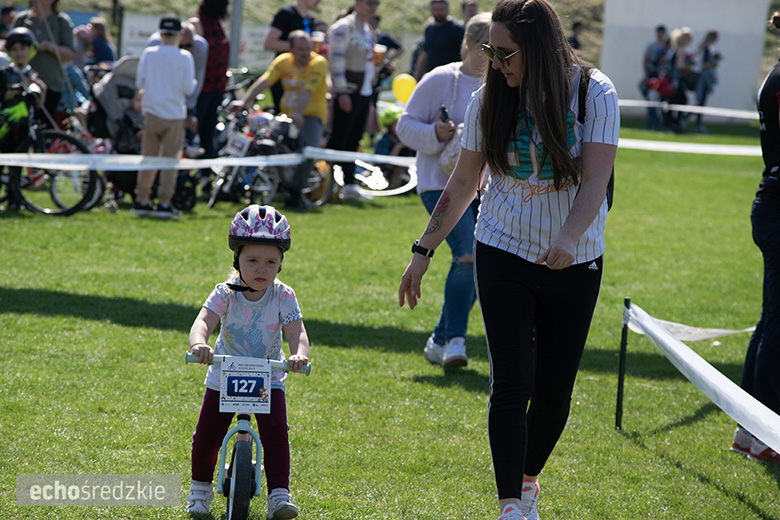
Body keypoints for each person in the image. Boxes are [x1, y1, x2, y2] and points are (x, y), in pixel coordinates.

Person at [398, 0, 618, 518]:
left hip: (576, 257)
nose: (496, 63)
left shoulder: (593, 92)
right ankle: (510, 506)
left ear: (539, 48)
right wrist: (423, 250)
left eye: (505, 52)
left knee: (554, 393)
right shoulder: (488, 98)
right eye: (490, 50)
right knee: (512, 380)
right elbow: (464, 180)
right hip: (502, 248)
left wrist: (567, 238)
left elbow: (596, 180)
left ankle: (528, 478)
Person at [185, 204, 310, 518]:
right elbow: (203, 321)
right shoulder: (225, 293)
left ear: (281, 264)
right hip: (225, 373)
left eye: (271, 261)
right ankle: (199, 491)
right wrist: (199, 344)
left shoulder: (283, 295)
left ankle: (279, 495)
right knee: (207, 436)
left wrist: (299, 353)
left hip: (269, 377)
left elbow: (297, 332)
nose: (261, 269)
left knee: (276, 434)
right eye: (252, 260)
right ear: (237, 259)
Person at [396, 12, 490, 368]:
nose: (492, 59)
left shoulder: (503, 84)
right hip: (439, 184)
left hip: (485, 189)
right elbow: (404, 126)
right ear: (469, 45)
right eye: (487, 49)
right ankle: (455, 342)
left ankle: (438, 339)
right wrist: (437, 133)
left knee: (480, 264)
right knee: (467, 254)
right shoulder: (439, 78)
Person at [730, 12, 780, 467]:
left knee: (772, 318)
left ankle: (750, 426)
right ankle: (765, 432)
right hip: (779, 205)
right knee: (779, 322)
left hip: (772, 200)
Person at [230, 30, 328, 209]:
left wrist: (299, 113)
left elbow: (308, 91)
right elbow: (266, 80)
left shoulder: (319, 63)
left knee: (308, 149)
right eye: (300, 49)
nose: (305, 53)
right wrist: (245, 101)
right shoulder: (283, 61)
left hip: (311, 115)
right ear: (290, 49)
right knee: (266, 140)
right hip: (287, 115)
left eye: (308, 49)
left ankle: (296, 192)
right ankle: (273, 181)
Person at [132, 15, 196, 219]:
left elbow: (140, 82)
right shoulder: (185, 57)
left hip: (152, 112)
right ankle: (164, 202)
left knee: (149, 159)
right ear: (179, 35)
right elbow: (189, 88)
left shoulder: (149, 54)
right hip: (174, 115)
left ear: (160, 33)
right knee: (170, 162)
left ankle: (142, 199)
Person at [326, 0, 379, 201]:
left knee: (354, 139)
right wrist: (341, 91)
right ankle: (326, 183)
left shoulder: (368, 30)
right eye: (369, 3)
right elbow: (336, 59)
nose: (373, 7)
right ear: (357, 3)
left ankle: (348, 184)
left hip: (364, 91)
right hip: (348, 91)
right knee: (339, 137)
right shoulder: (342, 27)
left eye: (376, 3)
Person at [146, 21, 208, 156]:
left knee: (173, 160)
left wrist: (189, 112)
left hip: (178, 111)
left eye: (189, 45)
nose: (185, 49)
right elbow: (146, 82)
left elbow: (194, 84)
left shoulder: (199, 49)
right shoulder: (153, 47)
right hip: (156, 108)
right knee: (152, 158)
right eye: (182, 45)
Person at [12, 0, 75, 124]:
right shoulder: (22, 19)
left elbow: (70, 55)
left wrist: (49, 47)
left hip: (51, 83)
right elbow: (8, 45)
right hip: (22, 81)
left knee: (43, 126)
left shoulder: (61, 21)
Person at [189, 0, 229, 176]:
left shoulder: (217, 24)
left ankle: (205, 176)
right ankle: (184, 176)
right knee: (193, 131)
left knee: (208, 133)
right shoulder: (197, 23)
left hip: (217, 87)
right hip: (201, 88)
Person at [264, 0, 321, 113]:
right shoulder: (286, 14)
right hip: (286, 76)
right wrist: (297, 47)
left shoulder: (311, 19)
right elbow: (269, 43)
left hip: (305, 77)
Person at [413, 0, 464, 80]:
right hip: (431, 76)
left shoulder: (457, 29)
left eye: (441, 9)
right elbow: (425, 53)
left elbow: (464, 54)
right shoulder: (429, 28)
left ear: (447, 10)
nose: (438, 13)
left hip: (450, 78)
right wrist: (417, 76)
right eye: (435, 9)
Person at [375, 104, 414, 188]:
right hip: (385, 174)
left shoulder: (405, 138)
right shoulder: (383, 140)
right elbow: (386, 165)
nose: (400, 127)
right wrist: (398, 147)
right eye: (396, 124)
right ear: (388, 125)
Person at [692, 29, 720, 133]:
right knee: (700, 102)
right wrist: (713, 64)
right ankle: (694, 122)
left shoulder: (705, 47)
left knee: (701, 102)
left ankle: (697, 123)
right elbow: (703, 64)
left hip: (701, 76)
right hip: (702, 77)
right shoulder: (705, 47)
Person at [641, 24, 667, 131]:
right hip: (652, 76)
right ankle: (651, 122)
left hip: (662, 78)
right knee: (651, 99)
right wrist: (646, 76)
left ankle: (659, 123)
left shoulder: (666, 47)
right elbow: (646, 61)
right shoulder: (651, 46)